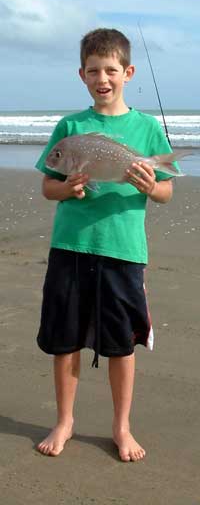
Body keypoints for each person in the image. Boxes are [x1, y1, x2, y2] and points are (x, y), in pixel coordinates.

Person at [35, 28, 178, 462]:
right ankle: (65, 420)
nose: (103, 77)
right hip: (71, 248)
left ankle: (121, 426)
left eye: (111, 70)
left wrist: (152, 184)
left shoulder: (146, 128)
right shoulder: (71, 127)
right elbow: (48, 185)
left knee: (120, 343)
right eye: (94, 70)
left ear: (128, 72)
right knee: (65, 339)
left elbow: (166, 193)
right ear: (81, 74)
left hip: (123, 251)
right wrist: (69, 187)